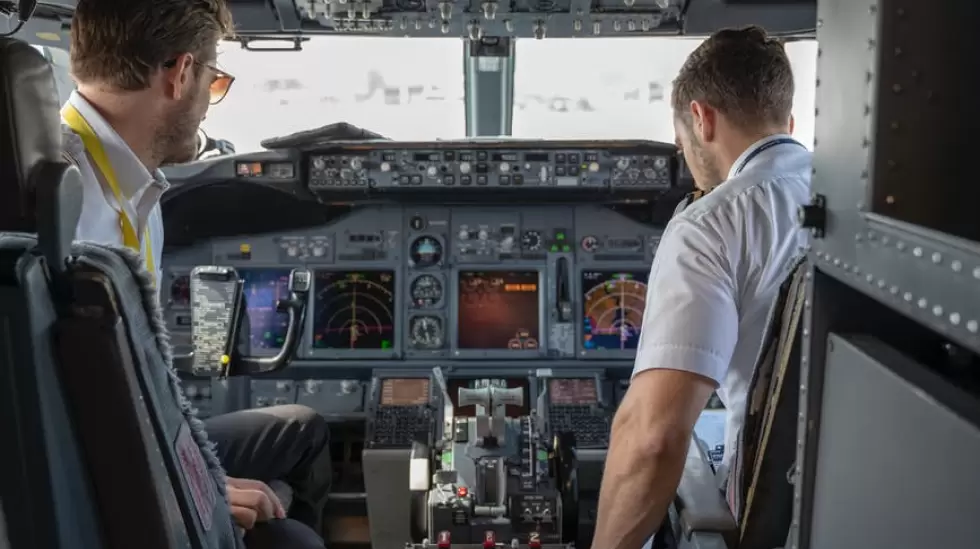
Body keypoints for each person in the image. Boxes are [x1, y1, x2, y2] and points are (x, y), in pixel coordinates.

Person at [62, 1, 331, 548]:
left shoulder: (125, 183)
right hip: (92, 470)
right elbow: (69, 418)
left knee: (299, 428)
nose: (211, 103)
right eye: (215, 79)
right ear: (181, 73)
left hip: (130, 431)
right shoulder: (63, 208)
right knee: (294, 542)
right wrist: (196, 489)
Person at [590, 26, 811, 549]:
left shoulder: (710, 225)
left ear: (701, 119)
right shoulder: (858, 204)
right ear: (788, 122)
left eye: (681, 141)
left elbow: (655, 438)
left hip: (761, 521)